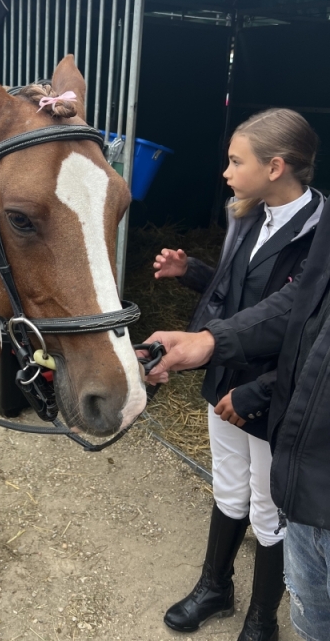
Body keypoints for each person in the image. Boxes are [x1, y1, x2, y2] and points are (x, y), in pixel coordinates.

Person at [149, 108, 323, 641]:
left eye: (234, 160)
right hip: (224, 378)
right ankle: (214, 587)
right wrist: (194, 273)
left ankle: (261, 619)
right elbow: (242, 297)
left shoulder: (321, 236)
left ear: (275, 167)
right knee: (229, 488)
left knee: (270, 506)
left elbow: (308, 331)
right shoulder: (247, 215)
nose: (225, 171)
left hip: (276, 398)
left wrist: (259, 392)